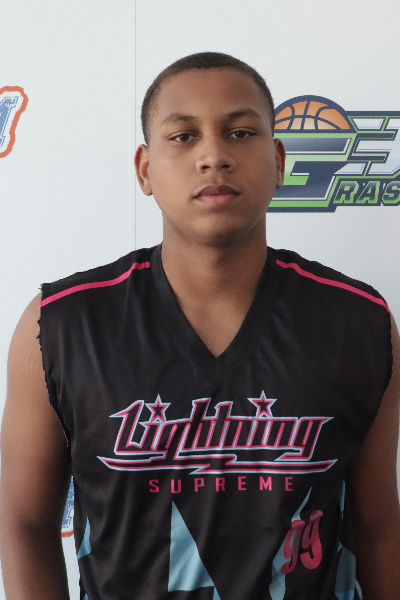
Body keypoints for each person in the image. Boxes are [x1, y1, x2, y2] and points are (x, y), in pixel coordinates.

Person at [1, 52, 400, 600]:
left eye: (240, 132)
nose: (214, 156)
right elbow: (23, 523)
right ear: (145, 169)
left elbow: (378, 527)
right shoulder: (62, 325)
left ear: (278, 161)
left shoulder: (358, 321)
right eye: (184, 136)